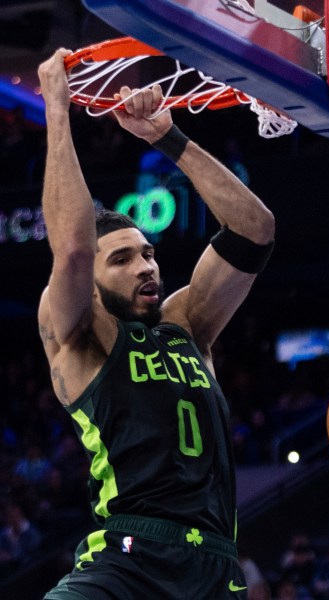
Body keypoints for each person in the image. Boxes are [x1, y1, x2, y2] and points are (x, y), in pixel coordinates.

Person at [37, 46, 275, 599]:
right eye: (122, 260)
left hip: (216, 567)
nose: (145, 266)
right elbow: (71, 249)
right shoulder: (79, 334)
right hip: (127, 563)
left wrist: (167, 137)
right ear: (91, 287)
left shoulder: (188, 323)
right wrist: (57, 107)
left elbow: (254, 232)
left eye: (147, 253)